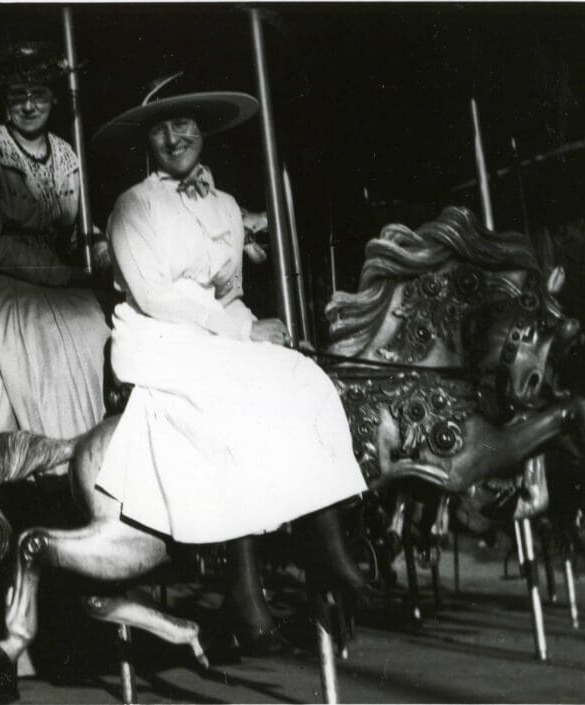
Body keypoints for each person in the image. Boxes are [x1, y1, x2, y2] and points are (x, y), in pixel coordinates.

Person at [93, 74, 375, 650]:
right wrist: (241, 331)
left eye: (184, 125)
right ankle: (244, 586)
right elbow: (155, 295)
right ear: (148, 140)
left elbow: (228, 294)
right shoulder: (133, 206)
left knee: (301, 376)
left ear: (203, 132)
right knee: (229, 396)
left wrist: (259, 331)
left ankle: (331, 548)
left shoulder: (224, 206)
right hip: (156, 335)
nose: (175, 138)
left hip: (212, 333)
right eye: (162, 129)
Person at [0, 41, 111, 446]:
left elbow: (78, 227)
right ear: (4, 101)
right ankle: (49, 444)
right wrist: (61, 274)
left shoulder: (66, 156)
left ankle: (94, 439)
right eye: (18, 96)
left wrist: (102, 246)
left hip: (51, 280)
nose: (29, 106)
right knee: (42, 325)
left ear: (53, 99)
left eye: (39, 94)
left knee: (96, 318)